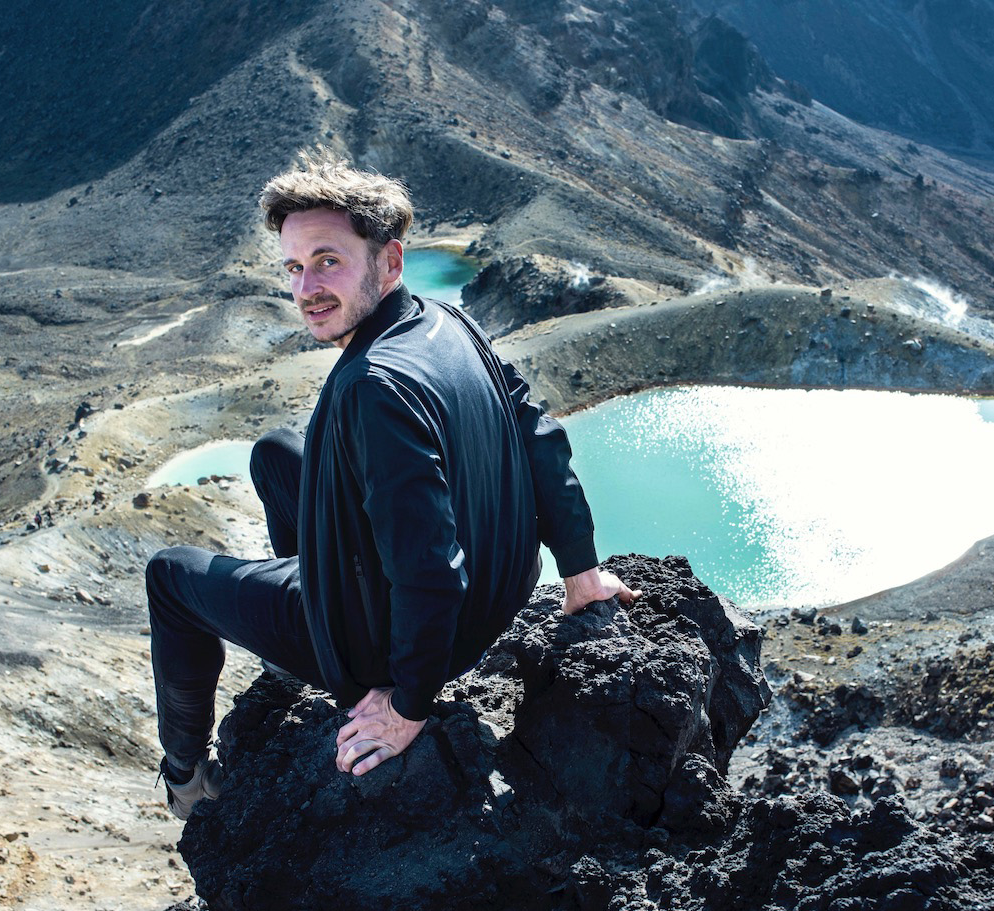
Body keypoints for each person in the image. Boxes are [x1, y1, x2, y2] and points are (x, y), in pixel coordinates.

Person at [144, 150, 638, 820]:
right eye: (294, 266)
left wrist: (405, 708)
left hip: (410, 647)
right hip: (501, 588)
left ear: (391, 261)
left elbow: (430, 570)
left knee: (170, 577)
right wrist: (581, 572)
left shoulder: (372, 387)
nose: (306, 287)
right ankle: (309, 632)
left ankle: (186, 780)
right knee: (275, 454)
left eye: (329, 260)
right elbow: (538, 436)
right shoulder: (448, 321)